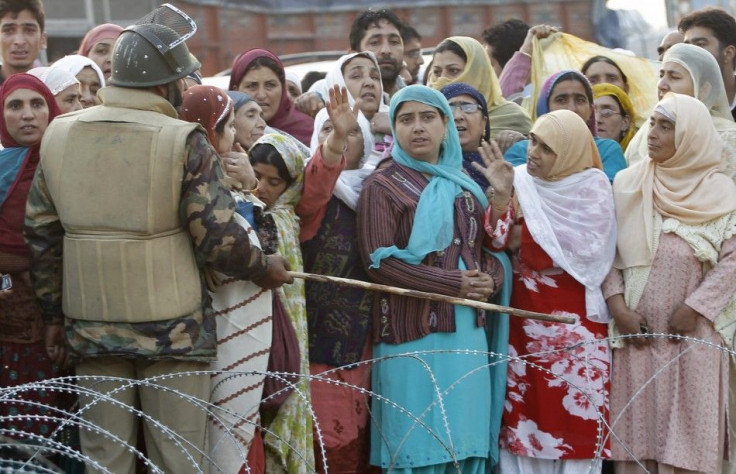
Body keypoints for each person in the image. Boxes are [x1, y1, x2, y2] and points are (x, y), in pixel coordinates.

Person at [24, 22, 292, 474]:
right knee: (178, 460)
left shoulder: (59, 134)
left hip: (92, 329)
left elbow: (41, 235)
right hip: (174, 334)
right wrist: (262, 265)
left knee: (105, 460)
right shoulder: (183, 139)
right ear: (167, 82)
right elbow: (219, 236)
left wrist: (54, 315)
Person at [357, 85, 507, 472]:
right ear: (394, 128)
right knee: (416, 447)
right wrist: (453, 286)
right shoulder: (383, 184)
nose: (418, 128)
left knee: (464, 447)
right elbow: (379, 263)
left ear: (445, 126)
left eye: (428, 118)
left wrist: (490, 279)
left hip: (466, 335)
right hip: (411, 334)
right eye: (406, 119)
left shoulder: (466, 183)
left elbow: (483, 250)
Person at [603, 92, 736, 474]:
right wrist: (618, 308)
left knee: (688, 445)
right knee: (637, 442)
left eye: (667, 126)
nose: (653, 133)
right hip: (637, 336)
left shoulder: (722, 193)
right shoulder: (629, 184)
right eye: (654, 124)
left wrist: (695, 308)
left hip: (693, 336)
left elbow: (732, 262)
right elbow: (607, 253)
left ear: (692, 136)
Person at [478, 109, 616, 472]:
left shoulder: (593, 187)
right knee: (525, 427)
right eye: (533, 140)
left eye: (548, 147)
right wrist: (502, 196)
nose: (534, 152)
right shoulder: (518, 179)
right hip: (524, 328)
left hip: (578, 330)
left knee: (577, 427)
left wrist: (522, 239)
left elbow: (588, 250)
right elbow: (496, 240)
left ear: (570, 151)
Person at [180, 84, 272, 473]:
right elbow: (228, 247)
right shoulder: (198, 184)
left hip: (237, 314)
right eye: (229, 126)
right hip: (214, 322)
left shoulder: (233, 181)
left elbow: (263, 236)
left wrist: (251, 188)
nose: (235, 135)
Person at [301, 63, 378, 473]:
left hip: (367, 342)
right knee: (328, 448)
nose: (342, 142)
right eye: (329, 132)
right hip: (320, 346)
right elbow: (315, 188)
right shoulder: (313, 191)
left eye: (352, 133)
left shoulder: (380, 188)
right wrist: (332, 145)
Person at [0, 73, 62, 453]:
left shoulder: (69, 165)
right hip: (9, 322)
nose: (27, 115)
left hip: (67, 320)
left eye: (37, 104)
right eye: (14, 105)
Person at [249, 132, 316, 473]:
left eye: (273, 181)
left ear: (290, 185)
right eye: (256, 175)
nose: (262, 187)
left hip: (280, 331)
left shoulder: (280, 219)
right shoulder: (252, 212)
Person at [626, 43, 736, 179]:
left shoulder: (726, 137)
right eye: (661, 75)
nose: (661, 85)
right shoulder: (645, 133)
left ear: (703, 89)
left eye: (674, 77)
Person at [504, 69, 627, 182]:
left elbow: (606, 195)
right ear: (545, 108)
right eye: (561, 100)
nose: (572, 108)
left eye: (579, 100)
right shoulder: (522, 151)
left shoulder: (606, 150)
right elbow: (514, 191)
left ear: (590, 111)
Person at [428, 36, 532, 141]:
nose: (442, 79)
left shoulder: (512, 117)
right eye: (437, 72)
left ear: (476, 72)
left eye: (453, 70)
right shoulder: (426, 117)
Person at [229, 48, 314, 146]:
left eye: (270, 85)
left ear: (282, 89)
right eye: (252, 86)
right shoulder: (219, 134)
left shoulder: (308, 131)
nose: (261, 95)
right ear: (235, 91)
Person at [678, 7, 736, 120]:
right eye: (687, 47)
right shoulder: (682, 109)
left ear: (728, 53)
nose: (690, 53)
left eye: (700, 45)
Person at [440, 82, 491, 186]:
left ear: (484, 123)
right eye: (449, 109)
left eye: (468, 107)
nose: (458, 116)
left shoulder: (499, 167)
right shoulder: (429, 165)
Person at [0, 0, 46, 83]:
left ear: (43, 40)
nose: (19, 41)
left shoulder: (58, 90)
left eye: (29, 30)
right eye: (9, 30)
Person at [592, 83, 636, 152]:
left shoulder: (637, 160)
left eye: (607, 112)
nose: (597, 119)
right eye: (591, 112)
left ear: (625, 122)